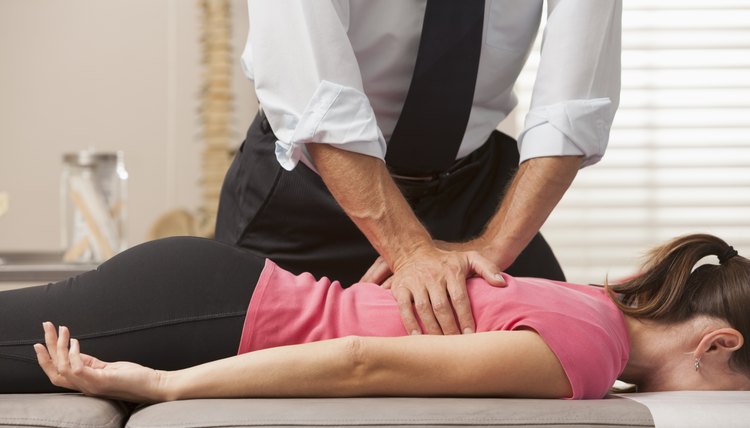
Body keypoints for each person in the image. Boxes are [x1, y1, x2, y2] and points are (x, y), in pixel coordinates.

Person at [214, 1, 623, 335]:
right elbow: (317, 101)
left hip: (475, 190)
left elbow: (572, 106)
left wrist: (493, 248)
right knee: (240, 374)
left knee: (575, 345)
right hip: (311, 188)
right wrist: (411, 252)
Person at [1, 233, 749, 400]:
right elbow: (364, 359)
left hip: (213, 291)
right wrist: (165, 387)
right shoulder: (584, 357)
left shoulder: (592, 305)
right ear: (719, 343)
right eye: (737, 390)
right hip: (203, 316)